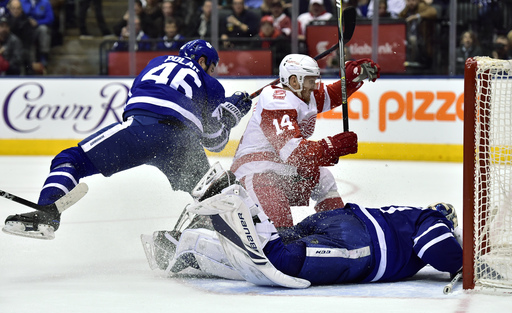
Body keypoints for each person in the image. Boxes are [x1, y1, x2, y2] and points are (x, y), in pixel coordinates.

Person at [3, 39, 252, 241]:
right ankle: (235, 240)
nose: (212, 72)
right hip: (181, 143)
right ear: (201, 60)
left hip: (141, 130)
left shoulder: (155, 62)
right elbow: (215, 142)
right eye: (211, 66)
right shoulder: (211, 84)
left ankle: (46, 211)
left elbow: (138, 103)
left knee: (70, 159)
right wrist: (230, 116)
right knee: (210, 195)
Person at [142, 165, 462, 288]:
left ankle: (185, 246)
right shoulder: (431, 218)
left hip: (340, 222)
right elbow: (435, 246)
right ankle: (233, 192)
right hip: (359, 246)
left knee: (259, 260)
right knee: (280, 261)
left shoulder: (407, 214)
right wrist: (465, 265)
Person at [229, 53, 380, 230]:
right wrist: (332, 145)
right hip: (255, 172)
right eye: (311, 81)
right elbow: (296, 154)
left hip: (279, 168)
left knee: (323, 177)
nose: (315, 86)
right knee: (281, 233)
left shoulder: (303, 93)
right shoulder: (276, 101)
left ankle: (338, 229)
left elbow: (331, 94)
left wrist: (351, 80)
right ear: (294, 81)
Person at [398, 0, 437, 72]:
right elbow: (399, 17)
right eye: (409, 1)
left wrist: (416, 16)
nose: (411, 3)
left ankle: (414, 61)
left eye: (413, 0)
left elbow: (433, 12)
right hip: (407, 36)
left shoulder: (422, 6)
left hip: (422, 38)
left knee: (413, 40)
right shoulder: (407, 10)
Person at [20, 0, 53, 70]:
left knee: (44, 29)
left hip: (38, 27)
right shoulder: (22, 2)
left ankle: (43, 56)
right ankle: (30, 62)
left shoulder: (45, 2)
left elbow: (50, 18)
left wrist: (38, 22)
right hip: (25, 28)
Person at [6, 0, 34, 74]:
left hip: (22, 50)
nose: (16, 11)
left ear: (21, 9)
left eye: (18, 8)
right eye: (13, 8)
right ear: (9, 9)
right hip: (8, 49)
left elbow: (28, 41)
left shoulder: (26, 23)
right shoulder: (5, 22)